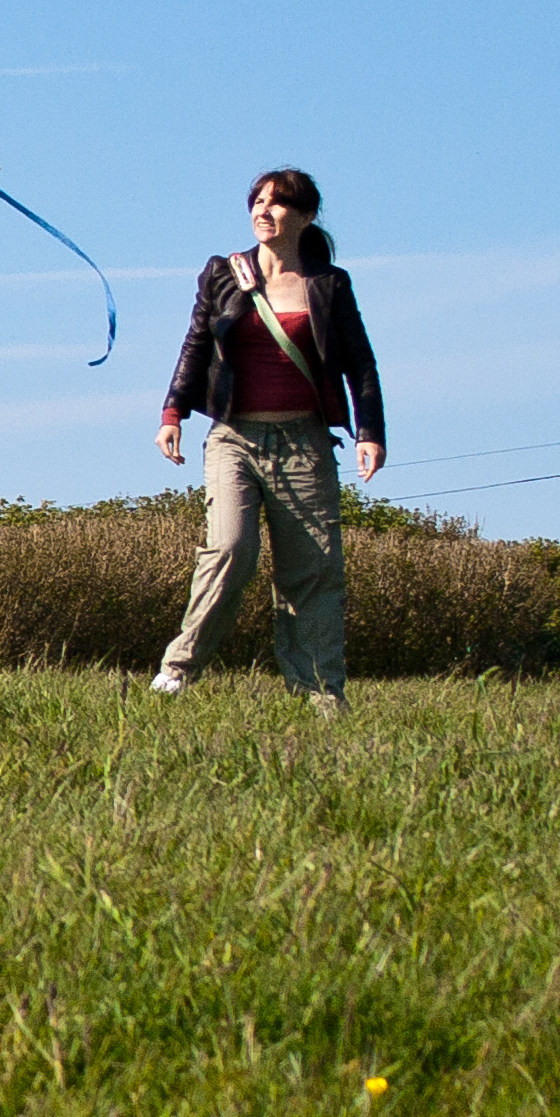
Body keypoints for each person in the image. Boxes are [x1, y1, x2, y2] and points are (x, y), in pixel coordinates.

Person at [149, 168, 384, 714]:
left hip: (304, 441)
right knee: (231, 549)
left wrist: (369, 432)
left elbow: (361, 363)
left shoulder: (330, 284)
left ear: (305, 216)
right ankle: (177, 670)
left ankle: (321, 693)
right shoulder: (223, 273)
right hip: (235, 438)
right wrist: (172, 412)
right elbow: (195, 344)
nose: (264, 210)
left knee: (313, 571)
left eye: (278, 203)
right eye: (257, 201)